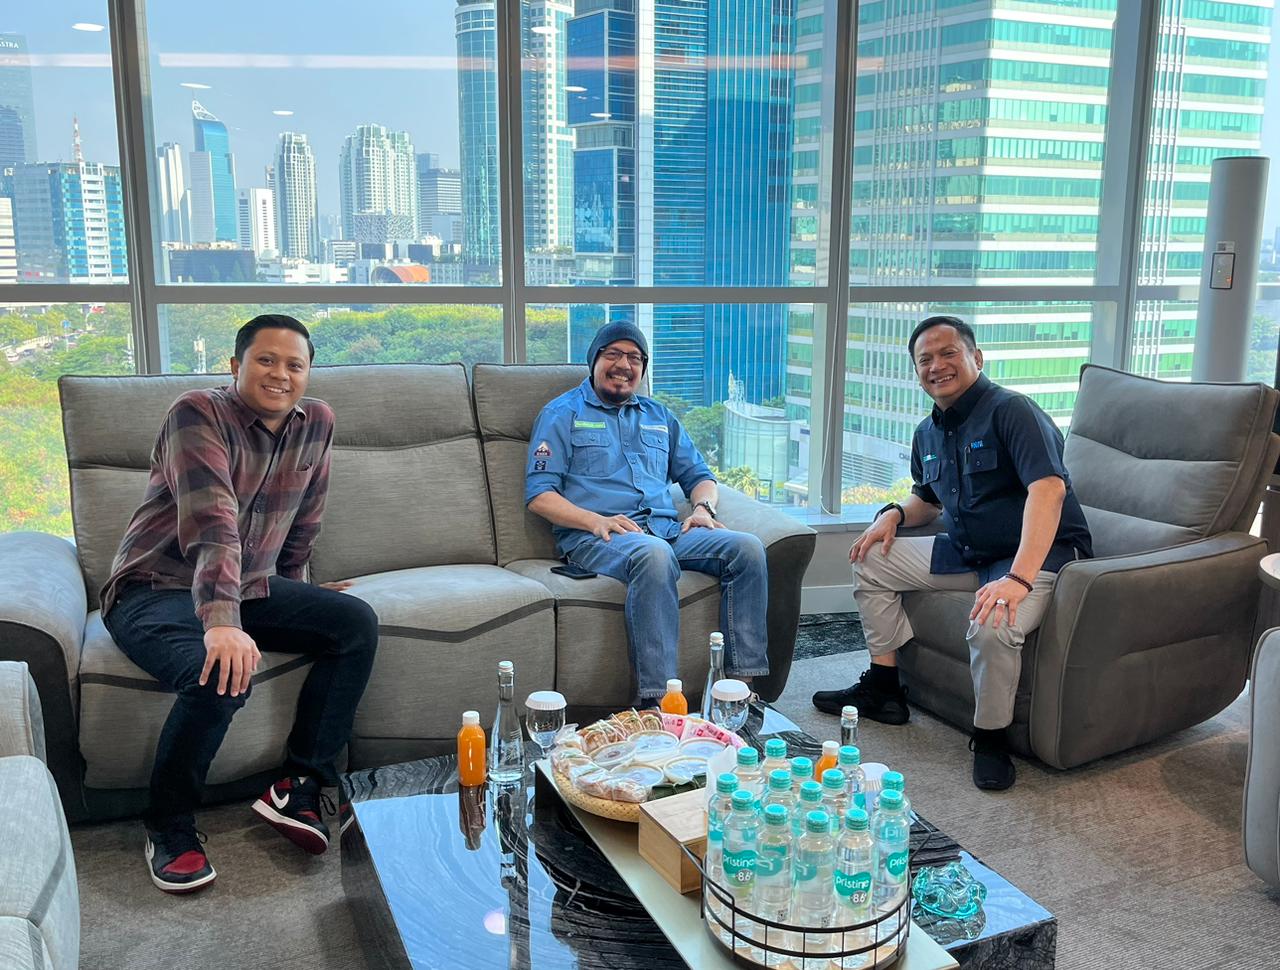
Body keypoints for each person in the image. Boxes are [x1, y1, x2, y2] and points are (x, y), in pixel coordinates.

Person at [101, 313, 379, 894]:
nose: (280, 374)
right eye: (265, 360)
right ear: (235, 366)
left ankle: (298, 786)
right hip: (154, 588)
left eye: (294, 365)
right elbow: (214, 523)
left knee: (353, 622)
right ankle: (169, 824)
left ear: (308, 373)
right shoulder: (196, 412)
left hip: (249, 586)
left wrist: (299, 591)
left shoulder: (317, 421)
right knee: (219, 672)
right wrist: (222, 623)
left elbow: (305, 522)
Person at [812, 315, 1092, 791]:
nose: (936, 366)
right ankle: (884, 688)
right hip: (968, 553)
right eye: (925, 360)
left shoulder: (1013, 411)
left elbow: (1049, 490)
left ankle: (991, 738)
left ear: (976, 358)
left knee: (994, 621)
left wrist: (1017, 579)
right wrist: (893, 515)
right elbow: (928, 500)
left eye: (948, 353)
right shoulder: (927, 432)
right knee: (872, 557)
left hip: (1034, 558)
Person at [524, 321, 769, 703]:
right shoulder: (561, 413)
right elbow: (540, 495)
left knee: (747, 548)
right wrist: (596, 520)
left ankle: (740, 692)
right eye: (614, 354)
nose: (624, 365)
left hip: (666, 531)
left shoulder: (659, 416)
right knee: (654, 555)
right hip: (598, 537)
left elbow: (700, 476)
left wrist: (702, 508)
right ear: (594, 361)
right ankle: (657, 703)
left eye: (635, 358)